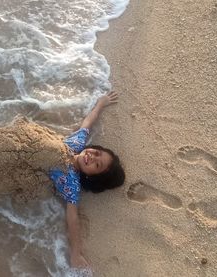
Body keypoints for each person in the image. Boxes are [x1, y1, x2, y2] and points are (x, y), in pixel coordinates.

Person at [48, 91, 125, 269]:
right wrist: (100, 104)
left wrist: (75, 253)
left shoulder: (72, 184)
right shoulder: (76, 143)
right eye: (97, 153)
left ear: (91, 176)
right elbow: (88, 122)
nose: (92, 157)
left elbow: (73, 218)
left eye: (97, 165)